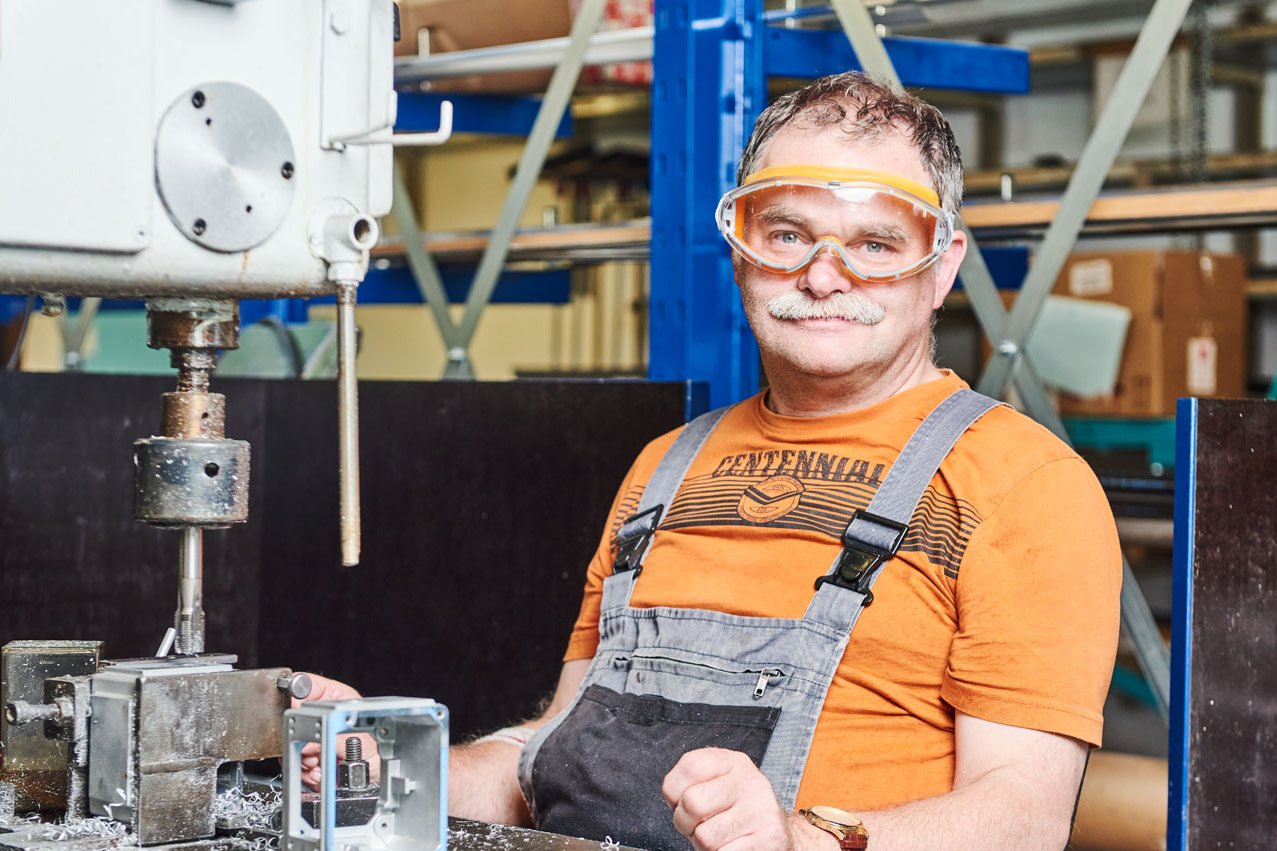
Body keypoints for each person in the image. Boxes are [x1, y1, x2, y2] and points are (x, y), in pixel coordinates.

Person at [303, 71, 1121, 851]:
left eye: (874, 243)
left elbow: (1024, 817)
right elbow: (550, 751)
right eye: (787, 234)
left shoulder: (1021, 484)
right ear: (740, 248)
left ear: (940, 267)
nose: (823, 275)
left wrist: (799, 839)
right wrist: (392, 769)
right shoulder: (665, 467)